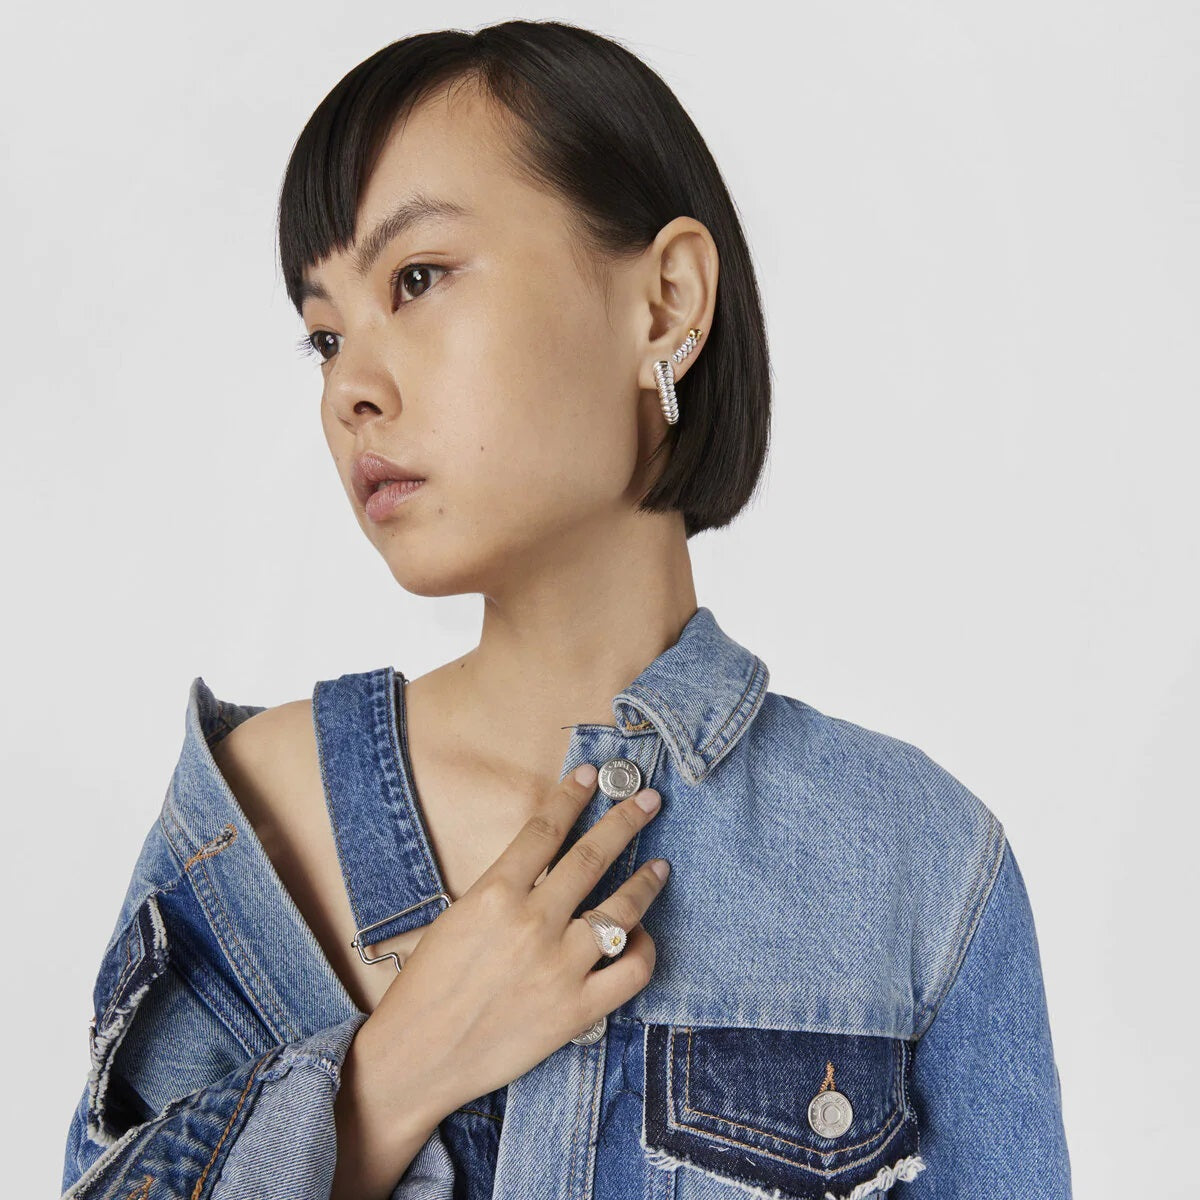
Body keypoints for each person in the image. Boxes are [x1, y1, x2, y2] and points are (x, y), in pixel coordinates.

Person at [59, 20, 1072, 1200]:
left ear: (666, 304)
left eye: (418, 280)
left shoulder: (916, 863)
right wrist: (385, 1084)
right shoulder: (250, 827)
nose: (350, 389)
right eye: (326, 335)